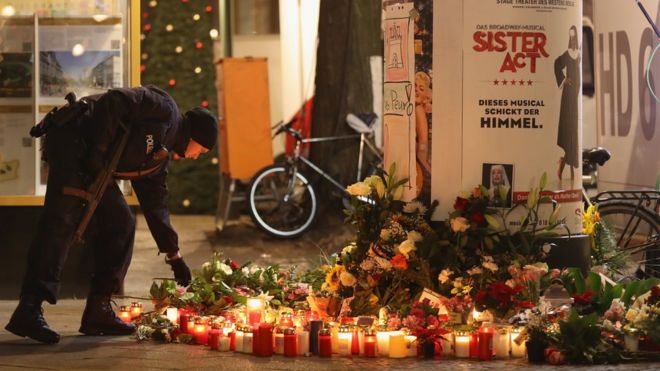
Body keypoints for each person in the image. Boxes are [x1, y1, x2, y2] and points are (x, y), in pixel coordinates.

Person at [5, 85, 218, 344]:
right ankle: (29, 308)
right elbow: (116, 100)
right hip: (74, 143)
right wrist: (97, 150)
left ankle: (99, 310)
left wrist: (175, 256)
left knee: (121, 223)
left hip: (92, 164)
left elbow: (156, 205)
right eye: (203, 151)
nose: (198, 157)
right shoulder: (165, 109)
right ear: (196, 136)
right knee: (60, 222)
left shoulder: (158, 159)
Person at [554, 25, 581, 181]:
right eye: (570, 37)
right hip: (568, 96)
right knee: (569, 129)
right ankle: (565, 163)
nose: (572, 39)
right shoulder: (567, 54)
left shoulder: (578, 54)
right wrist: (564, 79)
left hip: (575, 96)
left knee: (574, 131)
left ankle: (566, 162)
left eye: (573, 37)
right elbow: (557, 64)